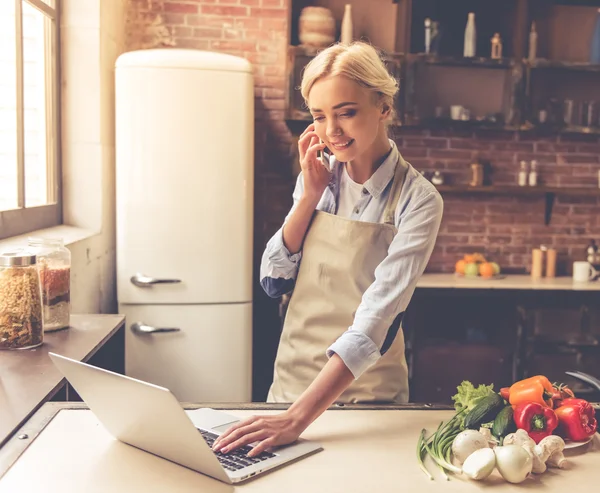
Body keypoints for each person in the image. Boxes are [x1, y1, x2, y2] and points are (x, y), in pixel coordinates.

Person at [212, 41, 443, 458]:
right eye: (319, 116)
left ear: (384, 106)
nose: (331, 130)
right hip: (289, 389)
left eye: (347, 112)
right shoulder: (318, 177)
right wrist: (308, 197)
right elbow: (273, 277)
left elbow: (376, 322)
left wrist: (299, 418)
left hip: (368, 402)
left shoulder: (418, 200)